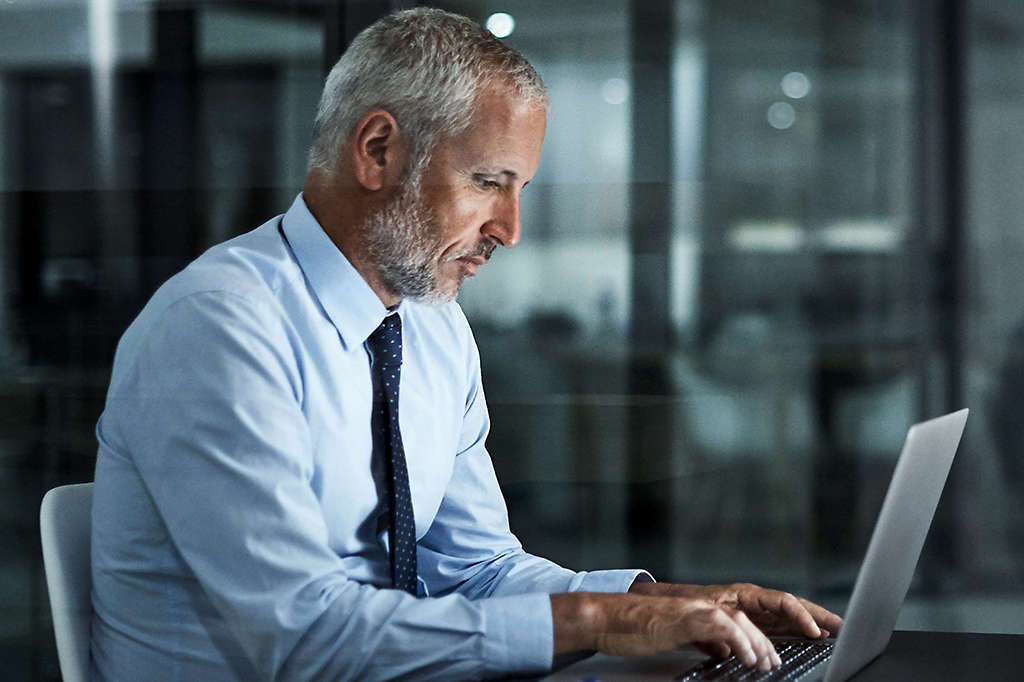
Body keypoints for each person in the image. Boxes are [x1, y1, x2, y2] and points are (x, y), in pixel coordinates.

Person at [90, 7, 841, 681]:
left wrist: (666, 605)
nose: (510, 230)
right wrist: (602, 622)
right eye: (488, 181)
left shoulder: (430, 324)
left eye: (520, 190)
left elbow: (475, 569)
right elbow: (304, 639)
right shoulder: (219, 327)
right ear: (378, 150)